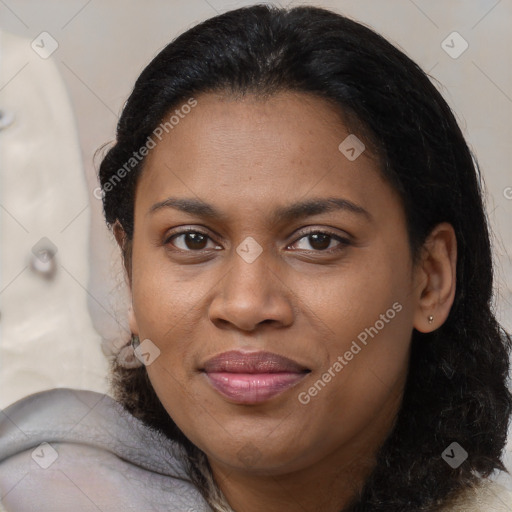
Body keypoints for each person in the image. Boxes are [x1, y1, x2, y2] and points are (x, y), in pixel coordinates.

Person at [1, 4, 512, 511]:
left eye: (317, 241)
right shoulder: (43, 484)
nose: (246, 305)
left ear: (431, 278)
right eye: (193, 241)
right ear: (130, 270)